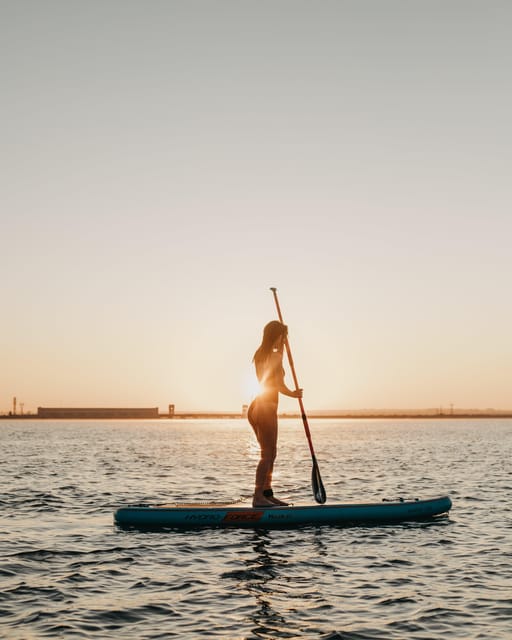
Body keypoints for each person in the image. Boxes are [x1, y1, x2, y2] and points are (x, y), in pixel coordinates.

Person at [247, 320, 303, 507]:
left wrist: (282, 347)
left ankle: (267, 494)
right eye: (283, 336)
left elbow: (272, 372)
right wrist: (294, 394)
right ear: (277, 336)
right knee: (268, 454)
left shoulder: (260, 354)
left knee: (271, 452)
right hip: (266, 407)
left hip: (256, 407)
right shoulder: (275, 357)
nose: (284, 339)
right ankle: (258, 497)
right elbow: (278, 384)